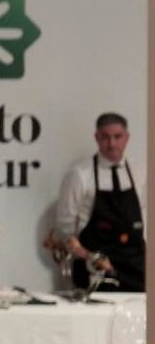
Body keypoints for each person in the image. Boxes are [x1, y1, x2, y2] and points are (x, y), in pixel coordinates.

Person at [55, 111, 145, 292]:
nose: (112, 144)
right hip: (94, 270)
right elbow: (65, 227)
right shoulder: (79, 175)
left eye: (117, 137)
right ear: (96, 138)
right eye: (105, 137)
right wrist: (88, 257)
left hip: (136, 268)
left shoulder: (141, 172)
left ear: (126, 138)